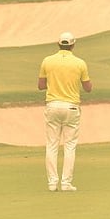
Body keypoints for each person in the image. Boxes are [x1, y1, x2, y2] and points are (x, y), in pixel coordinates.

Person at [38, 31, 92, 192]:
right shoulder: (80, 63)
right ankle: (66, 183)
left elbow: (41, 86)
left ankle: (52, 183)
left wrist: (55, 83)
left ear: (58, 44)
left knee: (52, 145)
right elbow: (88, 88)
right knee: (69, 146)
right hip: (71, 107)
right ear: (73, 45)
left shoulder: (47, 61)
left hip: (53, 105)